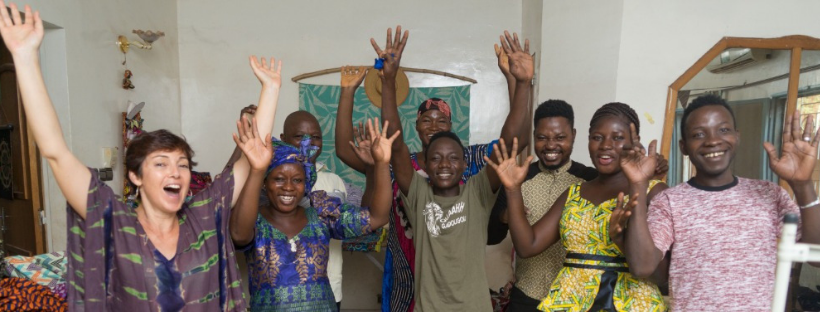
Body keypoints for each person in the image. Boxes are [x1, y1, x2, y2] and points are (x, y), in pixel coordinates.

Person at [0, 2, 283, 310]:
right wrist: (26, 58)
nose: (175, 172)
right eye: (160, 164)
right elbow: (55, 152)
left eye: (183, 165)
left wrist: (270, 89)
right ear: (135, 176)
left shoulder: (203, 218)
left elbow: (251, 156)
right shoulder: (113, 221)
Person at [334, 26, 533, 312]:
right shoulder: (417, 192)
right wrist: (388, 80)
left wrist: (521, 83)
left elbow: (511, 140)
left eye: (453, 158)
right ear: (424, 163)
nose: (443, 164)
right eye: (436, 158)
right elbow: (396, 142)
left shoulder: (477, 191)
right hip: (415, 292)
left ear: (465, 163)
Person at [617, 95, 820, 311]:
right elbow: (642, 266)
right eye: (698, 134)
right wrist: (638, 184)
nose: (713, 140)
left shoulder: (768, 194)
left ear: (737, 136)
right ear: (683, 146)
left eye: (723, 130)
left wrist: (803, 186)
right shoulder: (669, 201)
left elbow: (817, 256)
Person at [485, 100, 669, 311]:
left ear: (635, 143)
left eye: (618, 138)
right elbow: (528, 245)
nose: (605, 145)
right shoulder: (574, 193)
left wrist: (622, 233)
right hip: (571, 304)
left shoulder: (654, 191)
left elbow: (657, 274)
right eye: (597, 138)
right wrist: (513, 189)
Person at [231, 118, 397, 311]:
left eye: (297, 180)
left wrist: (382, 164)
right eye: (278, 179)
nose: (288, 187)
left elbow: (377, 217)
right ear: (265, 182)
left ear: (306, 184)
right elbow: (238, 235)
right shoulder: (254, 221)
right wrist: (257, 169)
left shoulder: (322, 215)